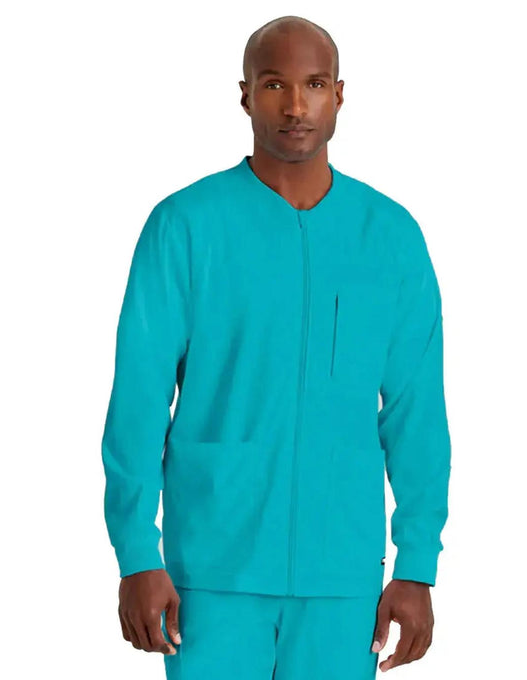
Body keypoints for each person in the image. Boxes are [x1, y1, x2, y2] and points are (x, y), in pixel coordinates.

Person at [101, 14, 452, 679]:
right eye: (273, 85)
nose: (295, 106)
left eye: (314, 84)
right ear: (245, 96)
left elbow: (416, 414)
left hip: (342, 575)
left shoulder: (391, 237)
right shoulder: (185, 227)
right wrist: (137, 554)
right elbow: (139, 403)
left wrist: (416, 564)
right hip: (210, 571)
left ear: (339, 95)